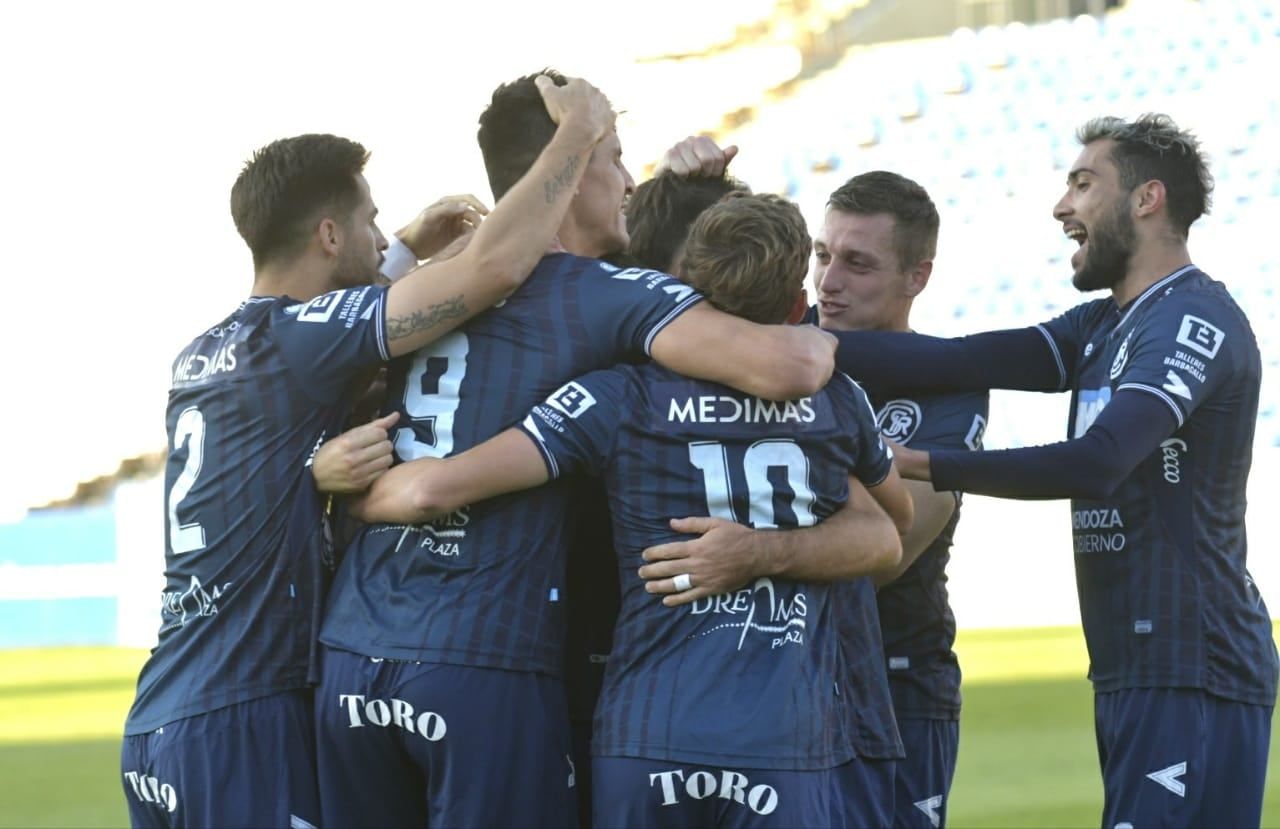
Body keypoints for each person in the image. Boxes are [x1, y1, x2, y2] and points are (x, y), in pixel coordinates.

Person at [310, 70, 840, 828]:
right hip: (480, 656)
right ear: (569, 166)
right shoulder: (603, 292)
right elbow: (784, 367)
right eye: (615, 158)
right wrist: (822, 341)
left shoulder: (429, 287)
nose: (628, 181)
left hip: (351, 652)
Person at [118, 76, 617, 828]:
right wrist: (578, 132)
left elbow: (263, 452)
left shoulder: (203, 353)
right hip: (243, 720)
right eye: (372, 223)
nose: (385, 241)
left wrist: (307, 472)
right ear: (328, 236)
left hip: (160, 716)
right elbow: (490, 271)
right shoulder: (298, 339)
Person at [347, 191, 914, 828]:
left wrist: (354, 493)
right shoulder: (837, 401)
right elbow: (892, 525)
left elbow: (445, 486)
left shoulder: (617, 395)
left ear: (685, 291)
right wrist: (772, 545)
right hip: (781, 739)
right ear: (795, 304)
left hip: (646, 729)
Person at [830, 114, 1277, 828]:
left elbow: (1099, 461)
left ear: (1146, 199)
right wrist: (770, 339)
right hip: (1136, 664)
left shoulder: (1192, 320)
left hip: (1193, 660)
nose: (1062, 206)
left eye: (1083, 184)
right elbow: (955, 360)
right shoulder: (1101, 325)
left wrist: (916, 461)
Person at [813, 171, 989, 829]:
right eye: (821, 254)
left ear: (918, 277)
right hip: (788, 679)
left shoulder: (951, 382)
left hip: (900, 684)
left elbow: (891, 548)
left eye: (857, 264)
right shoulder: (776, 353)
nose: (828, 281)